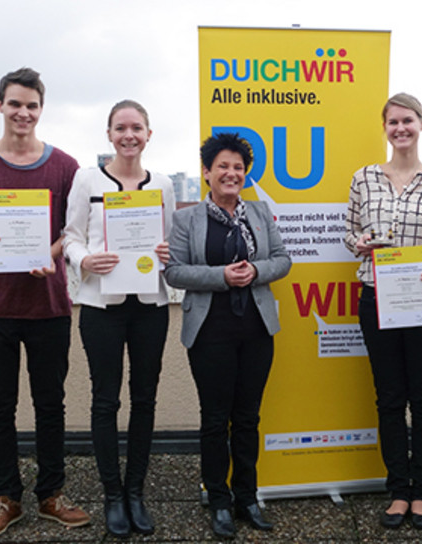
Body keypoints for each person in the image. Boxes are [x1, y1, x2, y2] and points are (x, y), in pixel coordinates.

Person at [0, 67, 90, 539]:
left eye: (31, 105)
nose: (23, 113)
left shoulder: (65, 166)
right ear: (0, 106)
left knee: (51, 404)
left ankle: (51, 494)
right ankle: (7, 497)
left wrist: (48, 254)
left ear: (40, 109)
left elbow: (73, 231)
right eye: (15, 104)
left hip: (48, 304)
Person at [164, 133, 291, 539]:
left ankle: (247, 497)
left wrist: (256, 271)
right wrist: (221, 276)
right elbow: (175, 272)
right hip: (210, 331)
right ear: (207, 172)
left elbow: (283, 260)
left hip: (256, 328)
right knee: (216, 420)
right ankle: (218, 499)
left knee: (248, 418)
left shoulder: (259, 211)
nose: (231, 173)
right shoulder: (187, 219)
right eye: (223, 166)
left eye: (238, 167)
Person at [343, 93, 422, 530]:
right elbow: (349, 231)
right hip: (377, 295)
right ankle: (398, 490)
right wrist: (361, 245)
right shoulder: (364, 178)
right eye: (393, 122)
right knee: (389, 397)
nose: (400, 128)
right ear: (385, 127)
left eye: (407, 120)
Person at [62, 100, 175, 537]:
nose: (129, 135)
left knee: (145, 399)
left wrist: (167, 253)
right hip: (99, 306)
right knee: (106, 400)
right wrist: (87, 259)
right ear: (109, 134)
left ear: (149, 134)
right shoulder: (86, 179)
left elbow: (167, 241)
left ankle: (136, 492)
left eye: (137, 128)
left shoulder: (162, 184)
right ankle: (112, 494)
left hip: (149, 304)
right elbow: (69, 237)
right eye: (121, 128)